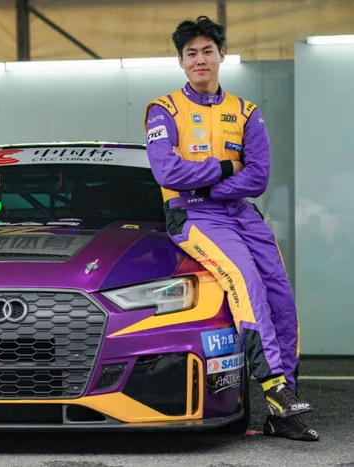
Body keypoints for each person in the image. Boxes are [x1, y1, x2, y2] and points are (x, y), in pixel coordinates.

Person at [144, 16, 319, 441]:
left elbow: (258, 178)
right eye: (191, 53)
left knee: (280, 295)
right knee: (245, 280)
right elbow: (167, 173)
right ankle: (274, 386)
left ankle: (284, 413)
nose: (199, 59)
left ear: (222, 54)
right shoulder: (163, 110)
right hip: (192, 214)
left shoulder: (246, 112)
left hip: (241, 213)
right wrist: (225, 167)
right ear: (181, 61)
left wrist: (203, 178)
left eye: (207, 51)